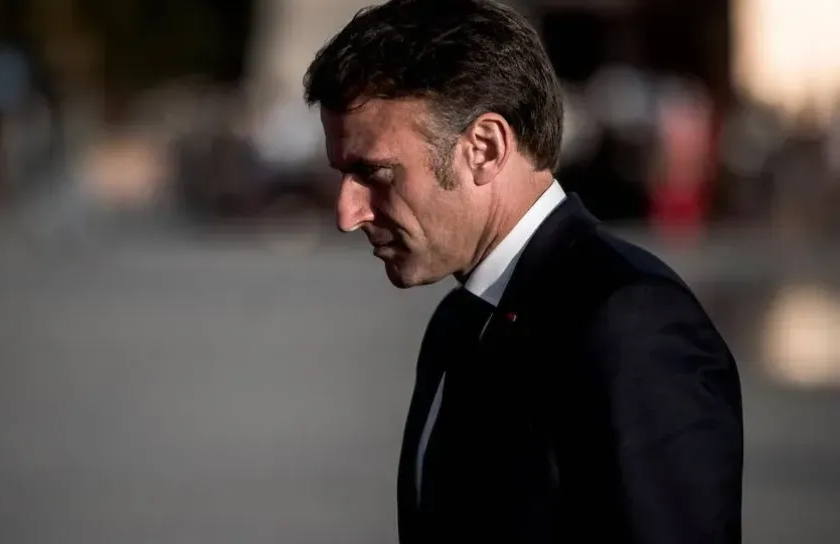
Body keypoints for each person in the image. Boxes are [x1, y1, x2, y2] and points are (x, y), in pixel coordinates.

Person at [303, 1, 744, 542]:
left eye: (374, 173)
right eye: (342, 175)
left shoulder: (630, 324)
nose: (347, 214)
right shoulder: (458, 322)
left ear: (484, 148)